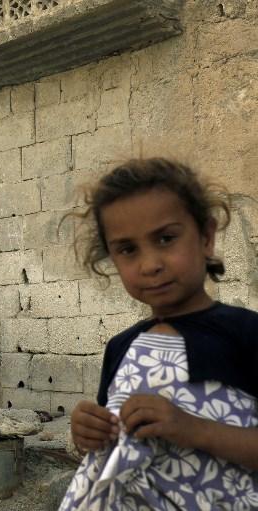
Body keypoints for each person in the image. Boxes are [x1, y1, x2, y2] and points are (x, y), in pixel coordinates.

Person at [60, 158, 258, 510]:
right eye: (127, 249)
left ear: (206, 237)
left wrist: (192, 429)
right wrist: (87, 434)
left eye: (166, 239)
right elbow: (114, 449)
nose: (150, 264)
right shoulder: (122, 348)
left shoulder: (246, 333)